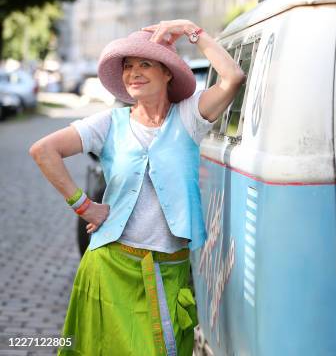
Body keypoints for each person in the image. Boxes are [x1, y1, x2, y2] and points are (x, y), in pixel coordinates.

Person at [29, 19, 245, 356]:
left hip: (168, 268)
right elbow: (43, 151)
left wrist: (192, 30)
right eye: (128, 66)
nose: (134, 73)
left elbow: (233, 77)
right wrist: (84, 205)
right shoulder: (108, 123)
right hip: (111, 266)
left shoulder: (189, 116)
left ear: (168, 74)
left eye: (145, 64)